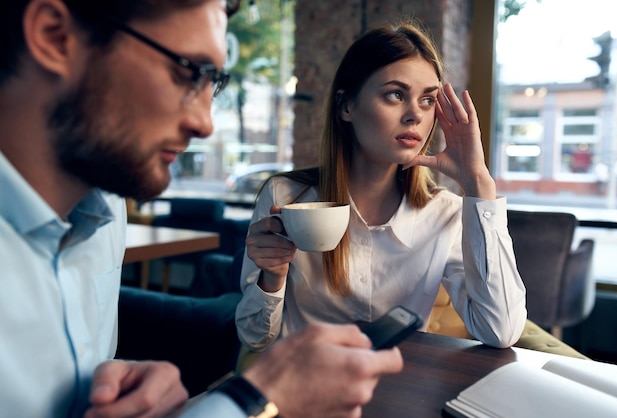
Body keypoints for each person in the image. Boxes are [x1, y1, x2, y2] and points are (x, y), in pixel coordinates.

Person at [0, 1, 403, 417]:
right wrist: (252, 400)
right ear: (54, 37)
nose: (205, 123)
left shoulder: (105, 212)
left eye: (215, 83)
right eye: (187, 72)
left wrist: (122, 383)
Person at [236, 21, 528, 358]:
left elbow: (501, 330)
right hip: (307, 390)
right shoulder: (286, 198)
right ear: (347, 106)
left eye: (427, 100)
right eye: (395, 94)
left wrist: (478, 180)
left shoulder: (444, 213)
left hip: (400, 394)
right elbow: (254, 338)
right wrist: (271, 278)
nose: (414, 116)